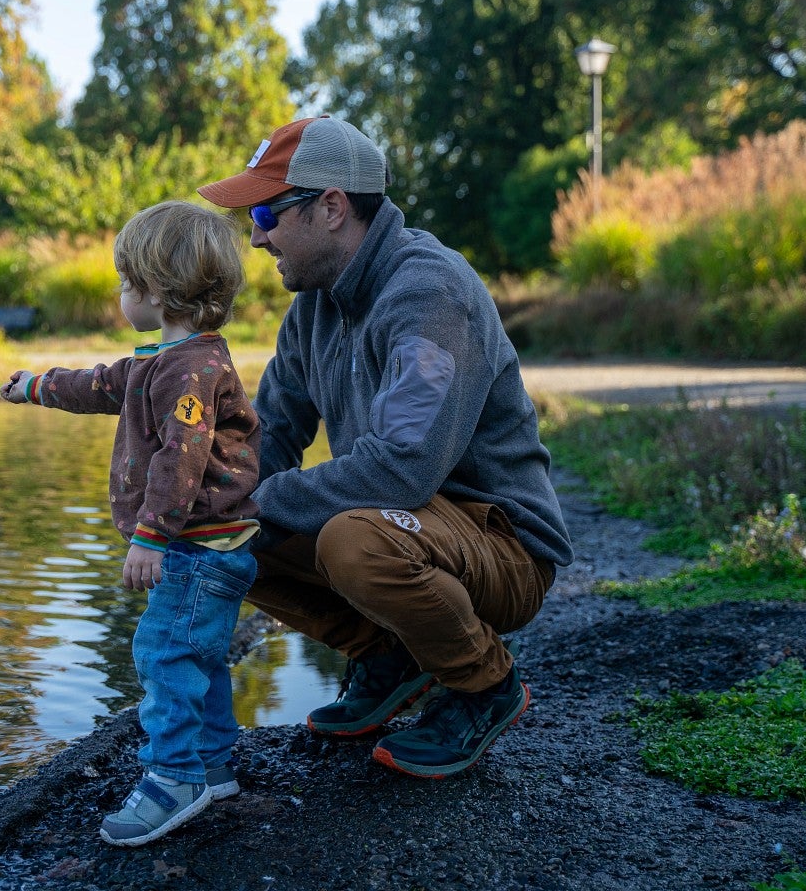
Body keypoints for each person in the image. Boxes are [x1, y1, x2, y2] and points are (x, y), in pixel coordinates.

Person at [195, 115, 573, 779]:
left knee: (354, 539)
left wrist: (263, 496)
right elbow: (271, 437)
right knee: (223, 527)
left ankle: (484, 686)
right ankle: (390, 657)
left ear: (332, 207)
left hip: (502, 546)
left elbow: (401, 468)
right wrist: (202, 500)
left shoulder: (430, 295)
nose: (255, 236)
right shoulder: (312, 308)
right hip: (412, 528)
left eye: (265, 211)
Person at [0, 200, 261, 845]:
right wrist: (38, 386)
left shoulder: (191, 368)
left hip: (195, 545)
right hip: (201, 544)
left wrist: (150, 535)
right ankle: (212, 762)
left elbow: (183, 458)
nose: (119, 294)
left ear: (156, 292)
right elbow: (99, 385)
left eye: (124, 283)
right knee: (200, 654)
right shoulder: (159, 358)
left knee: (163, 652)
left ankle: (174, 777)